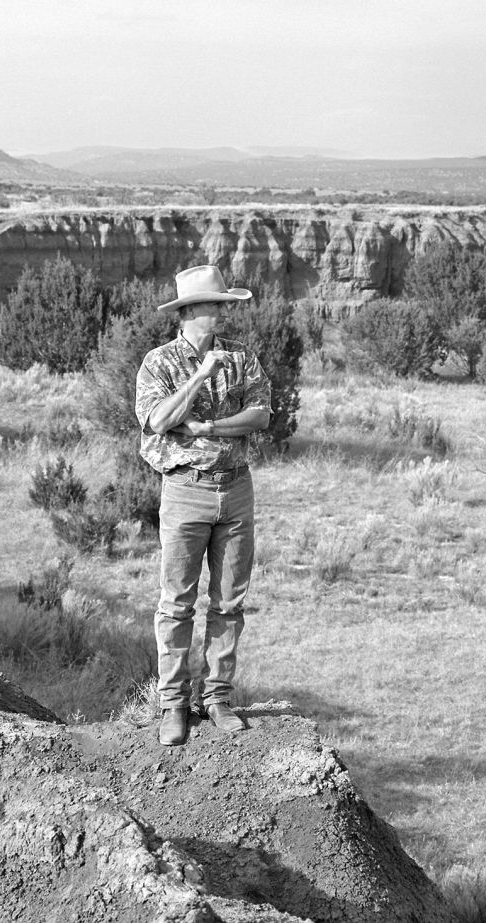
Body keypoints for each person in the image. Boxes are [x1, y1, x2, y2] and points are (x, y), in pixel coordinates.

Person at [135, 265, 272, 747]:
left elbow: (260, 415)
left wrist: (211, 429)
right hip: (185, 489)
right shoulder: (159, 363)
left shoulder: (243, 358)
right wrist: (199, 378)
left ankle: (217, 698)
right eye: (216, 304)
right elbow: (158, 420)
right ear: (190, 311)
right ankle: (173, 705)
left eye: (224, 303)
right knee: (176, 603)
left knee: (229, 602)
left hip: (236, 489)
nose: (223, 311)